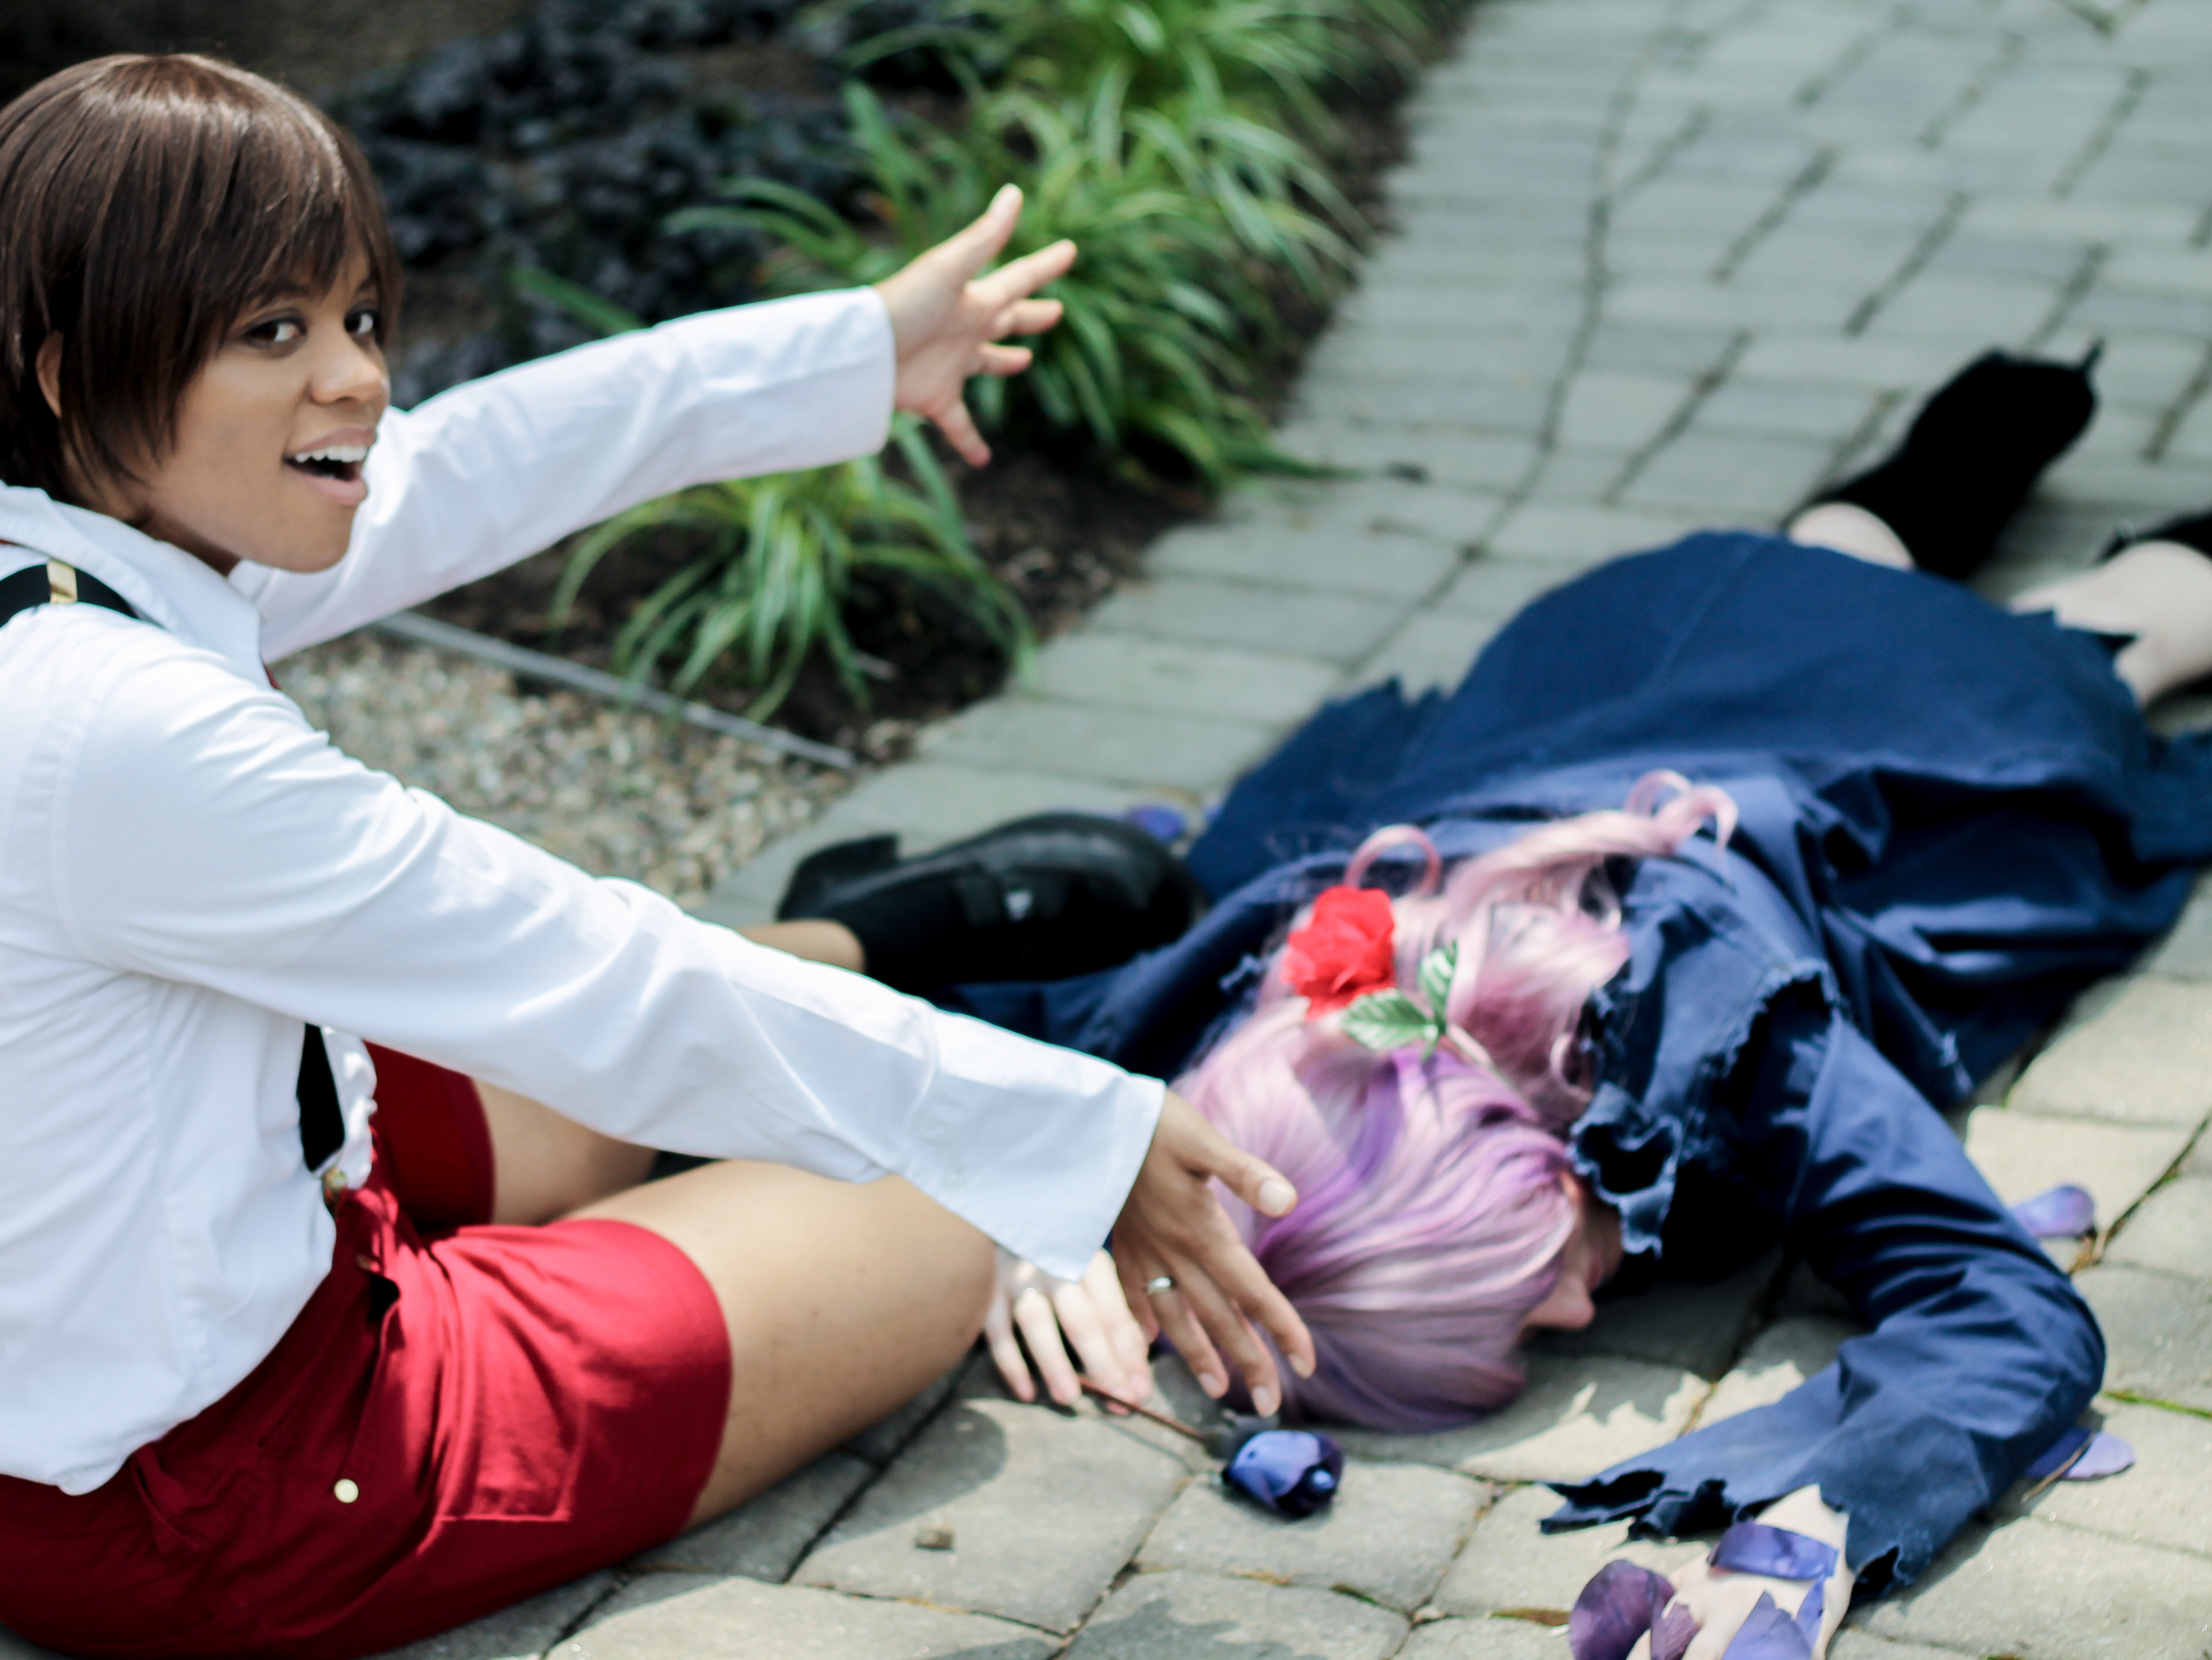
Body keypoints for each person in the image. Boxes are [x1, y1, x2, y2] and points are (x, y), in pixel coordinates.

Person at [0, 53, 1320, 1659]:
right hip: (181, 1497)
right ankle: (899, 1017)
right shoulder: (127, 732)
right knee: (933, 1221)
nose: (359, 376)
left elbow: (461, 472)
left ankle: (880, 938)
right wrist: (1075, 1145)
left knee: (613, 1090)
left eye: (358, 316)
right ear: (67, 368)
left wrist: (856, 350)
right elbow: (602, 980)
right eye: (274, 333)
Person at [780, 346, 2212, 1659]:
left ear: (1520, 1156)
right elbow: (991, 1039)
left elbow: (2008, 1310)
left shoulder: (1720, 1030)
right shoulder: (1286, 1019)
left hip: (1914, 731)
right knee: (1824, 561)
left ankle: (2009, 489)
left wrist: (1832, 1519)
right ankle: (1958, 454)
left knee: (2117, 633)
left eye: (1526, 1296)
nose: (1581, 1310)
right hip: (1643, 659)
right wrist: (1049, 1194)